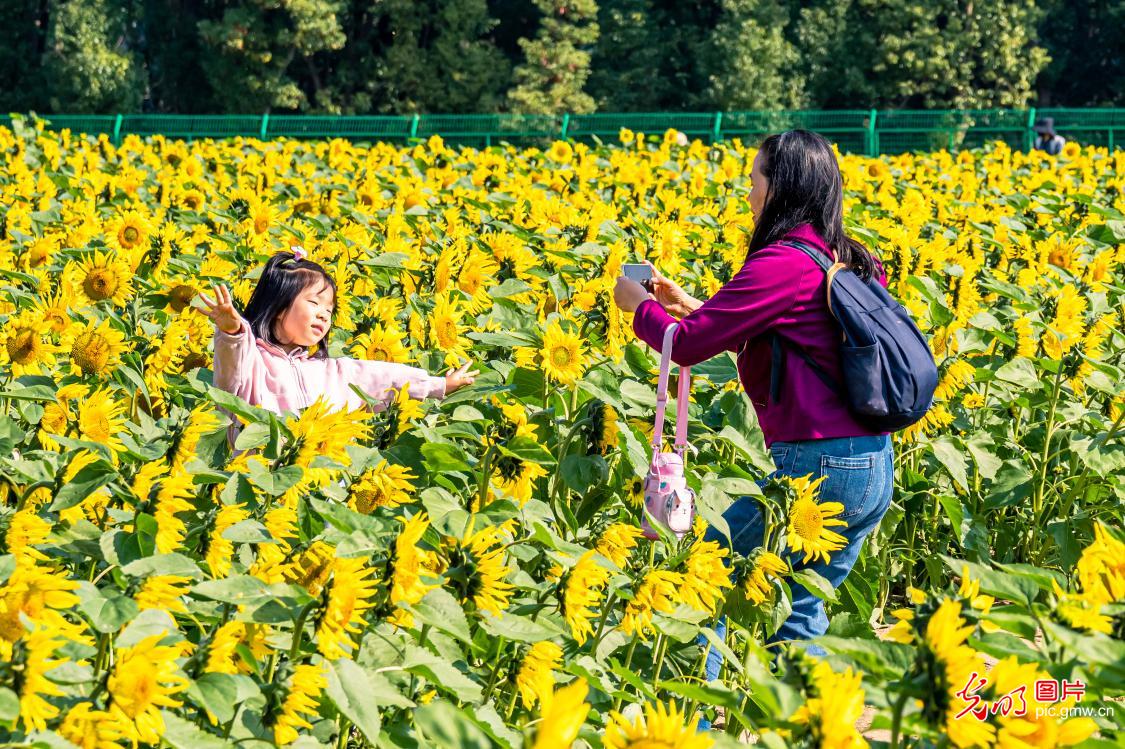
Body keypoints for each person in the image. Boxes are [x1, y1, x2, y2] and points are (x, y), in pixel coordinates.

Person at [612, 129, 895, 725]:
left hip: (820, 471)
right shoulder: (848, 256)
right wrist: (692, 302)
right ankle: (809, 727)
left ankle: (686, 718)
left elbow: (686, 348)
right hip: (870, 466)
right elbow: (788, 330)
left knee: (703, 570)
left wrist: (639, 307)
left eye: (755, 179)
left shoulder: (782, 261)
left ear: (781, 187)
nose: (747, 192)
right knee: (800, 613)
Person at [195, 248, 478, 449]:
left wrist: (439, 384)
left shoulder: (333, 371)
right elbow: (230, 372)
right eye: (314, 303)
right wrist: (232, 330)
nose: (323, 315)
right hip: (261, 482)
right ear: (280, 307)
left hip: (322, 480)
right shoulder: (254, 363)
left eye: (329, 309)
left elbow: (385, 378)